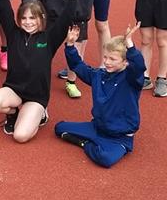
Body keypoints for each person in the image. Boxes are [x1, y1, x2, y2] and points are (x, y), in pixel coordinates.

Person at [0, 0, 79, 142]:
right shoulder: (14, 34)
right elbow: (4, 8)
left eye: (33, 18)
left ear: (41, 18)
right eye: (24, 18)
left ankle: (41, 114)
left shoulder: (49, 38)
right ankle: (13, 112)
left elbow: (67, 16)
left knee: (20, 136)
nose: (28, 22)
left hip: (37, 97)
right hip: (14, 90)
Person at [55, 22, 145, 168]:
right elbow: (78, 66)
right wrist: (70, 46)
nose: (107, 62)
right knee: (59, 128)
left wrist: (129, 44)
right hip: (97, 127)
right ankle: (92, 142)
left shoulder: (131, 80)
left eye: (113, 59)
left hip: (119, 137)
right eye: (105, 57)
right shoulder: (99, 75)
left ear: (126, 62)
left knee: (105, 158)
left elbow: (139, 66)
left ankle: (85, 144)